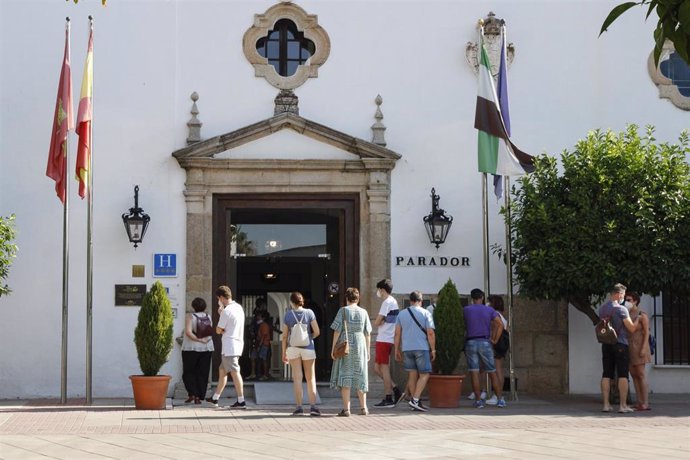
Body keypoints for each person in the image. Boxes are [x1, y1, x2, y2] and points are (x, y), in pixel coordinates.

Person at [330, 287, 372, 417]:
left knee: (345, 375)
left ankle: (347, 409)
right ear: (358, 298)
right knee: (360, 375)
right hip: (360, 344)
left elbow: (337, 330)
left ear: (347, 298)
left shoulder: (343, 311)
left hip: (346, 344)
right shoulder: (364, 312)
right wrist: (368, 350)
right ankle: (363, 407)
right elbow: (368, 333)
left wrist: (333, 348)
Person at [598, 283, 640, 413]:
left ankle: (606, 405)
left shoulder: (603, 309)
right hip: (620, 344)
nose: (623, 298)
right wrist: (638, 318)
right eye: (623, 295)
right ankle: (623, 406)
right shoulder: (622, 310)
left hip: (606, 344)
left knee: (606, 374)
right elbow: (631, 329)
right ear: (619, 294)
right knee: (623, 375)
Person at [464, 288, 506, 408]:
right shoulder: (489, 310)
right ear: (482, 297)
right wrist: (495, 340)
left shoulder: (466, 310)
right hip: (485, 341)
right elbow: (500, 324)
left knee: (474, 372)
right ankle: (499, 399)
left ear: (472, 298)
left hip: (471, 341)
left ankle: (478, 400)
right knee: (492, 371)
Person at [394, 291, 435, 412]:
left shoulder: (401, 314)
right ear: (421, 301)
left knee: (412, 375)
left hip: (407, 348)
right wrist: (433, 349)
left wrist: (396, 349)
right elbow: (431, 333)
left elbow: (397, 333)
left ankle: (415, 401)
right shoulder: (426, 312)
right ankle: (415, 400)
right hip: (421, 347)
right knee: (425, 374)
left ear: (410, 300)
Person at [206, 285, 246, 409]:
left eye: (218, 298)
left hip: (230, 346)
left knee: (235, 372)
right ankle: (215, 398)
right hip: (236, 344)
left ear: (221, 298)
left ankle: (241, 400)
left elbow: (218, 330)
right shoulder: (238, 307)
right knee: (222, 370)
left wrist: (220, 313)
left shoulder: (226, 311)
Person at [282, 291, 321, 416]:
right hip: (308, 348)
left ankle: (299, 408)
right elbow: (317, 331)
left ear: (291, 302)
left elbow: (284, 336)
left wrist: (284, 352)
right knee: (311, 378)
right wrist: (309, 338)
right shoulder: (309, 313)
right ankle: (313, 407)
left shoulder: (288, 315)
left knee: (297, 378)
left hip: (293, 349)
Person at [372, 279, 402, 408]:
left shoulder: (386, 302)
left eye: (378, 289)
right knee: (377, 368)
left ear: (382, 290)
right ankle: (395, 389)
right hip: (387, 338)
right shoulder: (393, 301)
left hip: (384, 338)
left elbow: (377, 322)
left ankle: (388, 397)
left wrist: (379, 321)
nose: (378, 292)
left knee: (383, 368)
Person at [181, 297, 214, 404]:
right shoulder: (208, 316)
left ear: (193, 306)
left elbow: (188, 332)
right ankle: (198, 397)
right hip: (207, 348)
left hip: (190, 348)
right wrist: (204, 341)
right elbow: (210, 332)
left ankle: (192, 394)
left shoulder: (190, 316)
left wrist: (198, 339)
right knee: (202, 372)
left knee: (189, 372)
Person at [625, 291, 652, 411]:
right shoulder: (626, 313)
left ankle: (645, 402)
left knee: (641, 374)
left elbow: (647, 333)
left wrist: (643, 348)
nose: (627, 302)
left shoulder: (642, 315)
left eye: (629, 300)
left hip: (640, 346)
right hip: (629, 346)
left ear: (635, 301)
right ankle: (639, 401)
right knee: (634, 375)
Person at [486, 295, 509, 406]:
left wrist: (494, 340)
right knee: (499, 368)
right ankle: (498, 394)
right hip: (503, 345)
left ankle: (497, 395)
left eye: (489, 302)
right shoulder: (503, 316)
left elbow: (497, 328)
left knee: (496, 369)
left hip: (497, 345)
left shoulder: (495, 315)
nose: (487, 304)